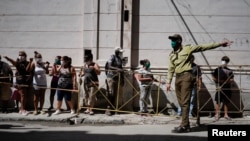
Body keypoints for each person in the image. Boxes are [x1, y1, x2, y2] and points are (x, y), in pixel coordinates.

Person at [166, 34, 233, 133]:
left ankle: (184, 125)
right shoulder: (171, 54)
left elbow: (203, 47)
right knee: (181, 102)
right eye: (171, 40)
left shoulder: (187, 49)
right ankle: (186, 124)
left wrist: (219, 44)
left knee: (185, 102)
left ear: (179, 41)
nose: (172, 42)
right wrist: (168, 82)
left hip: (186, 76)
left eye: (174, 40)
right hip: (178, 78)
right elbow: (171, 69)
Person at [4, 51, 33, 116]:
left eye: (22, 55)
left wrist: (30, 62)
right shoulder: (18, 63)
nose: (21, 57)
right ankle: (22, 109)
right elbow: (13, 62)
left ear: (25, 56)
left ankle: (22, 108)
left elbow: (28, 70)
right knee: (22, 95)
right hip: (20, 82)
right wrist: (8, 58)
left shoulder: (27, 63)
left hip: (26, 82)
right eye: (20, 55)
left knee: (24, 96)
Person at [212, 56, 234, 121]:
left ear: (227, 62)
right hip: (219, 88)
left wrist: (227, 81)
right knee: (218, 101)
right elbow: (213, 77)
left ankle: (226, 115)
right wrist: (220, 81)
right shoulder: (217, 69)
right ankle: (217, 114)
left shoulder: (230, 70)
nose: (224, 62)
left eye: (226, 61)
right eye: (223, 61)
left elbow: (232, 79)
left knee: (226, 102)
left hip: (227, 88)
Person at [105, 47, 125, 115]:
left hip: (117, 78)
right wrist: (118, 69)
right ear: (116, 52)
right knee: (110, 93)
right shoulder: (112, 57)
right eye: (120, 52)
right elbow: (109, 66)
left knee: (115, 94)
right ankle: (108, 109)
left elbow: (121, 68)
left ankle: (113, 108)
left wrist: (122, 79)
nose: (121, 53)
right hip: (111, 77)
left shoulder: (119, 59)